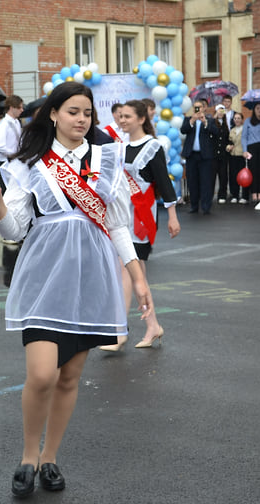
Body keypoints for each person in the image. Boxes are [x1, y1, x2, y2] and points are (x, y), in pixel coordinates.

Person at [0, 81, 152, 498]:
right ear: (54, 114)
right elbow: (13, 230)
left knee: (70, 377)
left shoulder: (106, 160)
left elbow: (116, 224)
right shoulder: (30, 164)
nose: (82, 120)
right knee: (41, 375)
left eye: (88, 113)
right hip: (44, 276)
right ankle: (27, 455)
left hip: (91, 277)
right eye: (74, 111)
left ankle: (50, 458)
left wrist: (136, 274)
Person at [100, 99, 179, 351]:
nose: (122, 120)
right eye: (120, 116)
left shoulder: (152, 146)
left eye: (127, 116)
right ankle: (150, 326)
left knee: (129, 270)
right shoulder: (119, 146)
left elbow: (164, 184)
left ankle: (121, 331)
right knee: (135, 274)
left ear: (142, 119)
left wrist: (173, 215)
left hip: (142, 218)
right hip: (123, 215)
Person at [180, 99, 219, 214]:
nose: (197, 109)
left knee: (206, 181)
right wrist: (192, 120)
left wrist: (205, 123)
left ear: (204, 108)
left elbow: (215, 132)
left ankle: (206, 206)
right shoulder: (188, 119)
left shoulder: (210, 120)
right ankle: (194, 206)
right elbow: (183, 130)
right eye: (195, 107)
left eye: (199, 107)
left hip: (205, 156)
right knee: (192, 181)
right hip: (191, 155)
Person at [242, 102, 260, 204]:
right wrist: (245, 150)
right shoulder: (248, 121)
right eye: (258, 108)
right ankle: (254, 192)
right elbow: (244, 136)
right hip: (251, 148)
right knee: (253, 170)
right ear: (254, 110)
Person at [0, 94, 24, 184]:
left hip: (15, 162)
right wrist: (13, 153)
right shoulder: (4, 124)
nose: (22, 110)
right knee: (6, 190)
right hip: (5, 162)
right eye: (19, 107)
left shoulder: (17, 122)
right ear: (11, 107)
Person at [215, 104, 234, 204]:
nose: (220, 113)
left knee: (223, 175)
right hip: (214, 154)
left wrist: (229, 145)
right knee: (213, 175)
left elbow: (228, 138)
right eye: (219, 111)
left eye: (222, 111)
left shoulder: (226, 124)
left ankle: (222, 194)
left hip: (223, 153)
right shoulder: (213, 122)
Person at [226, 111, 246, 203]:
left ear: (242, 120)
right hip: (233, 155)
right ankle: (235, 195)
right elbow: (228, 142)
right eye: (235, 118)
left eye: (239, 118)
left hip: (242, 155)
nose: (237, 120)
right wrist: (228, 147)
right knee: (233, 176)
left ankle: (244, 196)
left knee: (244, 176)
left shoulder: (245, 129)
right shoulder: (232, 130)